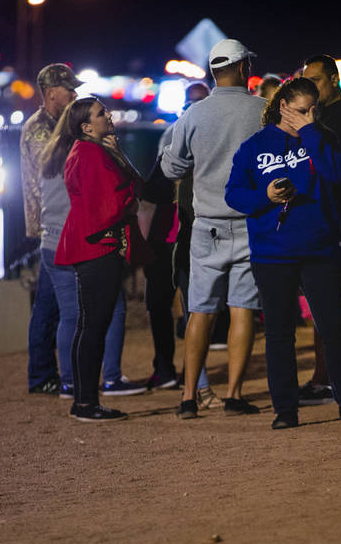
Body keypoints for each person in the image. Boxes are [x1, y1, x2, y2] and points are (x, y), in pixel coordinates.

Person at [225, 78, 341, 429]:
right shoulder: (254, 146)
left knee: (333, 327)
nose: (308, 116)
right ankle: (285, 410)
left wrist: (311, 131)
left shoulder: (322, 137)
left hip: (320, 249)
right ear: (282, 107)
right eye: (301, 110)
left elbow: (339, 174)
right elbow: (234, 194)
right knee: (280, 333)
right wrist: (264, 197)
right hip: (273, 253)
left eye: (314, 110)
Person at [161, 38, 266, 419]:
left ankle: (190, 397)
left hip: (207, 226)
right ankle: (235, 394)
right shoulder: (263, 111)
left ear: (213, 73)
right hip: (252, 223)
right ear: (243, 68)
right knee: (243, 310)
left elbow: (171, 168)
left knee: (200, 312)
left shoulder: (194, 115)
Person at [34, 81, 146, 401]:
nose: (107, 115)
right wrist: (131, 202)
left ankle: (82, 393)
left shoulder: (86, 150)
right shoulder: (89, 153)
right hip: (95, 246)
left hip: (83, 244)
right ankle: (85, 397)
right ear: (85, 125)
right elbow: (107, 206)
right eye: (100, 113)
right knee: (91, 324)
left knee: (85, 321)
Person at [297, 54, 341, 405]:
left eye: (317, 81)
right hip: (327, 221)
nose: (311, 88)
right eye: (306, 81)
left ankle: (328, 380)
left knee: (327, 307)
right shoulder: (326, 116)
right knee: (322, 305)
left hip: (335, 221)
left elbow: (331, 173)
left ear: (334, 80)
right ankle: (325, 377)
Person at [142, 81, 210, 393]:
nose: (194, 109)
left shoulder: (213, 139)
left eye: (200, 102)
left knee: (196, 306)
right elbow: (153, 188)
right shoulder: (174, 137)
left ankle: (195, 377)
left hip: (194, 236)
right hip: (165, 237)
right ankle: (166, 368)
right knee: (159, 304)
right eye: (190, 103)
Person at [19, 63, 78, 395]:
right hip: (51, 224)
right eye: (68, 90)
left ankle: (43, 374)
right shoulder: (42, 128)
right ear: (51, 92)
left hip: (53, 224)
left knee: (49, 303)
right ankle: (42, 375)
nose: (73, 95)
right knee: (50, 306)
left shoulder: (56, 124)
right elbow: (55, 173)